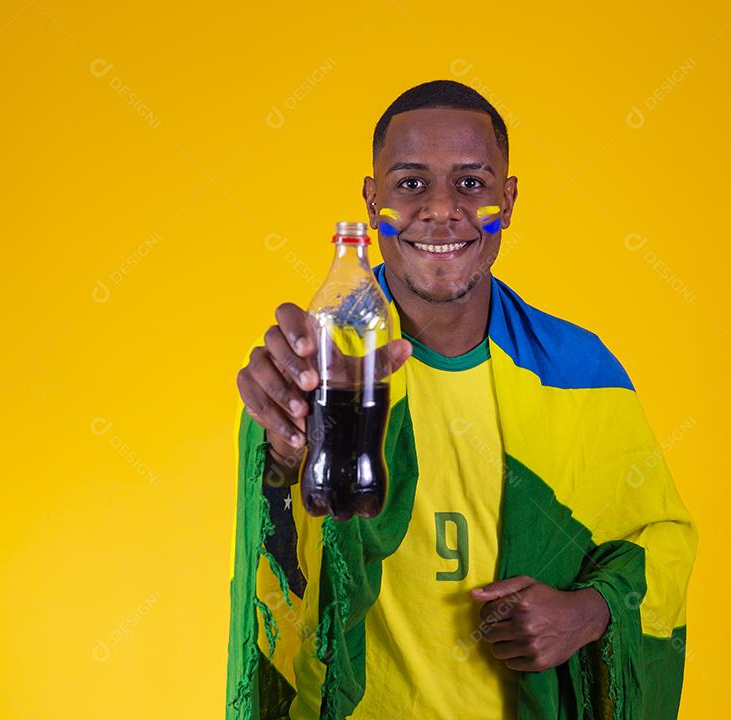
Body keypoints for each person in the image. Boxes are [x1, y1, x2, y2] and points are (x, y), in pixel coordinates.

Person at [228, 80, 697, 720]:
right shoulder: (322, 369)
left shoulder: (577, 369)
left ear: (508, 199)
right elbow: (282, 570)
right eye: (411, 184)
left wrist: (588, 614)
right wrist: (282, 448)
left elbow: (662, 539)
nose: (442, 210)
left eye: (471, 184)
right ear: (371, 202)